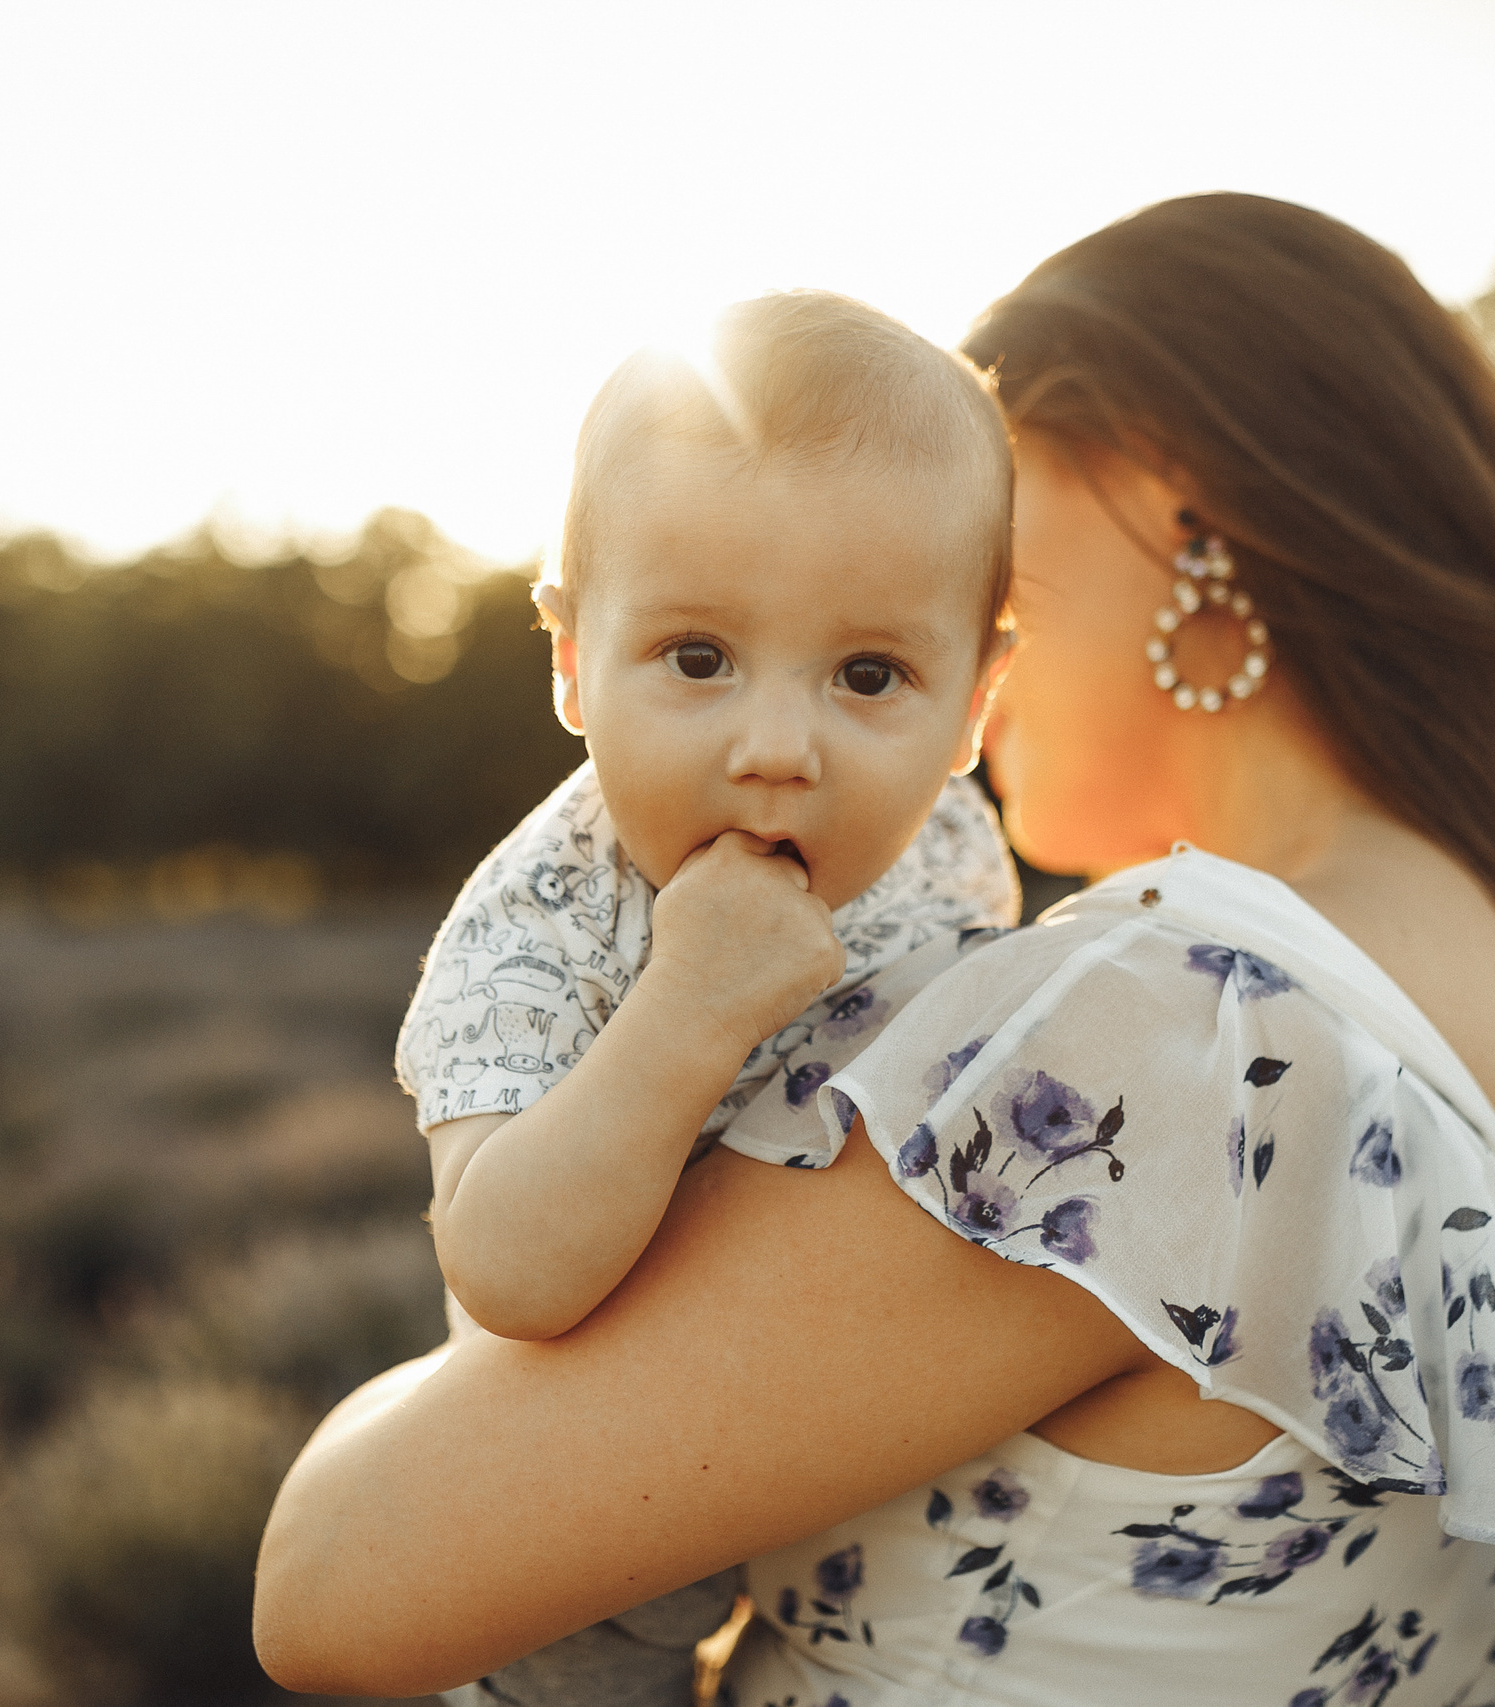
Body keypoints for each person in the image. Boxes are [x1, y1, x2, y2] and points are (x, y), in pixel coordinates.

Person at [255, 194, 1495, 1706]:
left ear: (1183, 521)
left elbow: (334, 1581)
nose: (820, 708)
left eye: (972, 565)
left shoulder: (1172, 1024)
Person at [396, 289, 1021, 1704]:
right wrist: (687, 1012)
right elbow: (503, 1267)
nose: (777, 747)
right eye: (697, 659)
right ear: (570, 660)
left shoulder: (949, 836)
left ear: (978, 698)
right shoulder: (541, 930)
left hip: (857, 1442)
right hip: (598, 1512)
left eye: (870, 674)